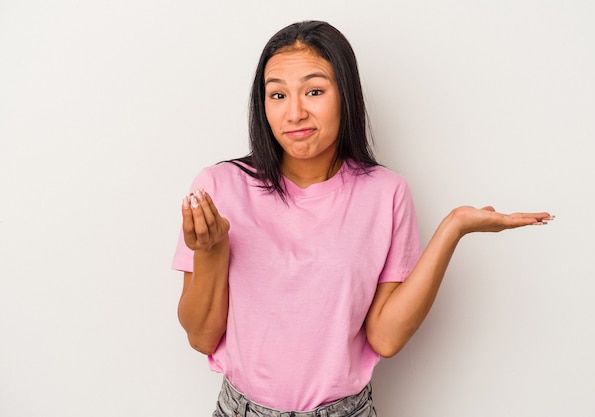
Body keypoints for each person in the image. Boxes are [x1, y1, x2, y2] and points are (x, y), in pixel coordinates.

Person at [172, 20, 553, 417]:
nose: (295, 112)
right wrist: (211, 252)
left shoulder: (385, 193)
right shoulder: (218, 188)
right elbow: (201, 336)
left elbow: (385, 338)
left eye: (314, 91)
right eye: (278, 95)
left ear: (346, 96)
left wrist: (453, 226)